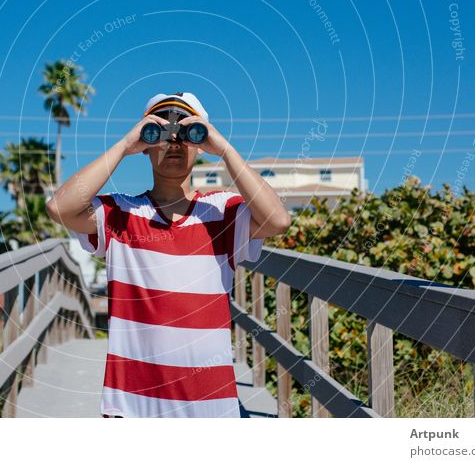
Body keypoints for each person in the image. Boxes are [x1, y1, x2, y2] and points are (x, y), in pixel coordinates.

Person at [45, 91, 291, 417]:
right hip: (132, 406)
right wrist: (122, 146)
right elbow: (59, 207)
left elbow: (278, 220)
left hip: (210, 406)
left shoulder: (222, 212)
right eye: (159, 133)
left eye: (186, 133)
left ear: (200, 145)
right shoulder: (120, 212)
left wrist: (224, 149)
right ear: (145, 146)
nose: (173, 142)